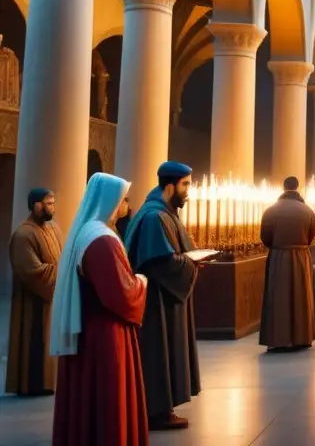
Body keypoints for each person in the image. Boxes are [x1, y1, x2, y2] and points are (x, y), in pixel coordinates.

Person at [51, 173, 149, 446]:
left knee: (88, 393)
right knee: (107, 394)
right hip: (105, 333)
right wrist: (141, 282)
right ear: (111, 202)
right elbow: (120, 293)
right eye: (124, 200)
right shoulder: (101, 240)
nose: (127, 206)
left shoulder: (88, 231)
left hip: (91, 327)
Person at [123, 161, 201, 431]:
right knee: (158, 351)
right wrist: (191, 264)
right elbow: (160, 262)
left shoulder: (163, 212)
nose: (188, 191)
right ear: (169, 187)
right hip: (157, 301)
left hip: (163, 296)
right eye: (185, 185)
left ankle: (161, 407)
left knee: (163, 350)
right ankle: (156, 410)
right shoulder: (155, 217)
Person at [5, 188, 63, 396]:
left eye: (53, 203)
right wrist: (63, 272)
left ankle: (47, 383)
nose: (52, 207)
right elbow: (32, 271)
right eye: (48, 203)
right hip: (32, 301)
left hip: (51, 299)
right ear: (35, 206)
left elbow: (61, 256)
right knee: (33, 339)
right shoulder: (23, 234)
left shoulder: (53, 228)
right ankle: (31, 385)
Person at [259, 175, 315, 351]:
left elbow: (265, 237)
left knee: (278, 297)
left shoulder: (270, 211)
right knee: (301, 296)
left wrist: (279, 246)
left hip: (278, 256)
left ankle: (278, 338)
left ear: (283, 187)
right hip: (301, 256)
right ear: (297, 187)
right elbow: (311, 236)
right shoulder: (307, 211)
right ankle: (302, 337)